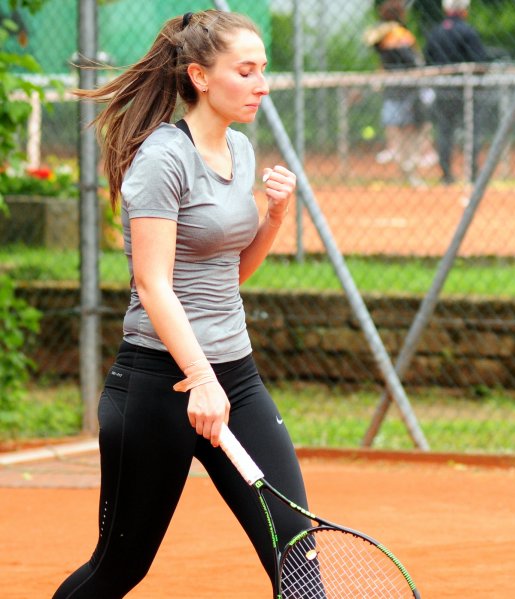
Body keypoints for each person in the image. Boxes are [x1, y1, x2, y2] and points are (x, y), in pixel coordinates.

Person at [52, 10, 311, 598]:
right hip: (155, 384)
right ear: (199, 76)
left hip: (235, 379)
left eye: (262, 70)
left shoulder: (241, 152)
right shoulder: (162, 159)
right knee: (120, 567)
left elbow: (229, 273)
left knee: (295, 549)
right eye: (245, 72)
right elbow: (153, 283)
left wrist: (274, 218)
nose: (261, 84)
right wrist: (198, 377)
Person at [364, 0, 436, 186]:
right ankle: (404, 160)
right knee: (405, 127)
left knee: (406, 126)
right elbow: (414, 60)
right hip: (404, 89)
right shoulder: (391, 33)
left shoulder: (393, 34)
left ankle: (406, 161)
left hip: (402, 89)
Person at [424, 0, 489, 184]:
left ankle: (446, 175)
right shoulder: (467, 31)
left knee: (444, 131)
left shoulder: (435, 32)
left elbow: (428, 58)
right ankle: (472, 173)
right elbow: (479, 61)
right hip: (466, 89)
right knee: (472, 131)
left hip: (443, 88)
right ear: (464, 10)